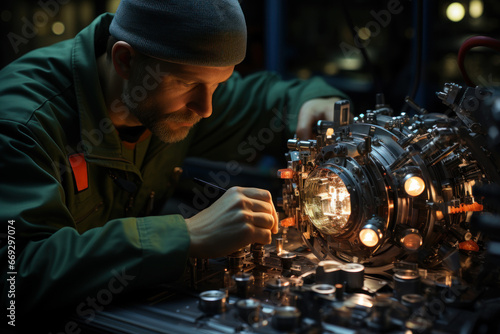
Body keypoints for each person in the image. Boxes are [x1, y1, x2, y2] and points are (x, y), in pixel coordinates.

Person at [0, 0, 347, 328]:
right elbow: (15, 279)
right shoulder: (22, 125)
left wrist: (315, 103)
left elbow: (272, 99)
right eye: (187, 83)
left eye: (217, 84)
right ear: (124, 61)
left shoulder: (173, 89)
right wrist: (184, 235)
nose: (205, 108)